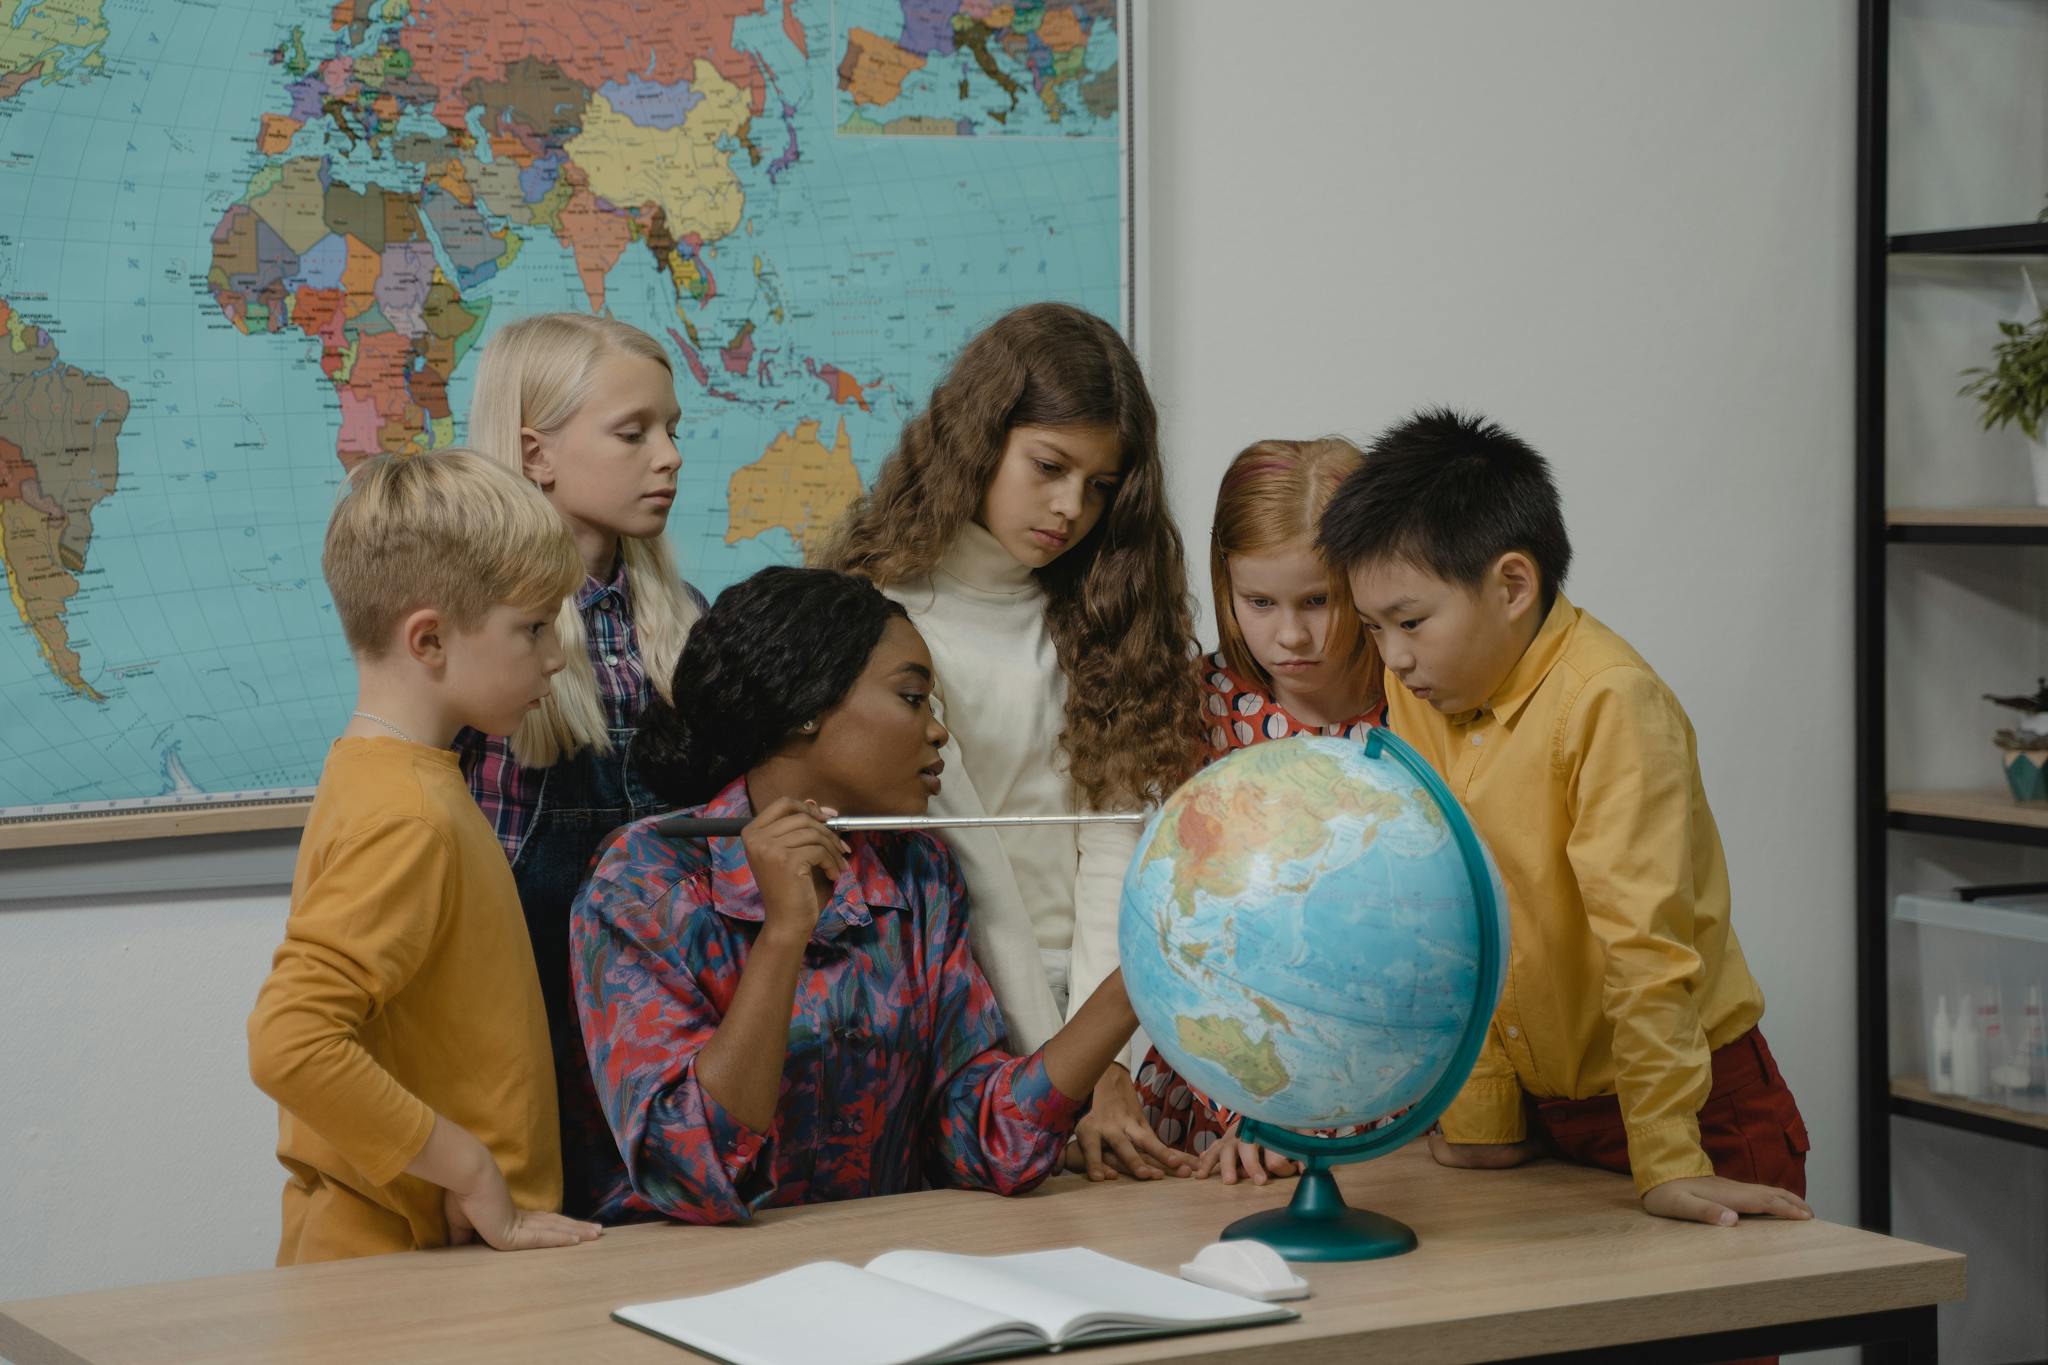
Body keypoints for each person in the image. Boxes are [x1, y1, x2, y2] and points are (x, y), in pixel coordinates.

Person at [1318, 407, 1812, 1227]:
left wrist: (1667, 1152)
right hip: (1551, 1119)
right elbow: (1454, 909)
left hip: (1694, 1114)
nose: (1393, 657)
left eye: (1410, 622)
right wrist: (1482, 1117)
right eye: (1375, 628)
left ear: (1513, 585)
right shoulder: (1419, 691)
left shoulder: (1609, 703)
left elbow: (1646, 945)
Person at [568, 568, 1144, 1223]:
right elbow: (693, 1169)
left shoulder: (918, 872)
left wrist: (1136, 984)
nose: (939, 733)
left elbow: (988, 1143)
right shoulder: (644, 880)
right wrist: (785, 932)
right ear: (808, 703)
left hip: (877, 1271)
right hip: (676, 1285)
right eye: (912, 697)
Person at [813, 302, 1202, 1180]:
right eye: (1050, 466)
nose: (1071, 508)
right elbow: (973, 870)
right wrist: (1059, 1070)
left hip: (1115, 1017)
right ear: (980, 438)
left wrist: (1113, 1060)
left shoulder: (1104, 611)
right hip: (966, 1012)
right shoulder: (883, 617)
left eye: (1101, 485)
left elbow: (1116, 847)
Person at [247, 449, 603, 1262]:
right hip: (396, 1276)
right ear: (431, 639)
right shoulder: (407, 813)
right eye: (534, 628)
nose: (554, 657)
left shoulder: (388, 776)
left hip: (424, 1262)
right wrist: (468, 1167)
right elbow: (290, 1039)